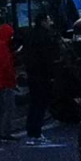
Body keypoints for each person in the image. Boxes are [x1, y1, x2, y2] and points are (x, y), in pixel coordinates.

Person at [24, 12, 59, 145]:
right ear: (43, 21)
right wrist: (51, 75)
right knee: (41, 104)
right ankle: (36, 132)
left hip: (33, 75)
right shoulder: (45, 38)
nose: (50, 23)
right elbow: (48, 58)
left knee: (34, 104)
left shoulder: (30, 36)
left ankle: (31, 131)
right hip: (42, 76)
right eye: (48, 20)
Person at [0, 10, 18, 141]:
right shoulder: (2, 47)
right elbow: (6, 66)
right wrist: (13, 79)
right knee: (8, 108)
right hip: (5, 82)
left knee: (0, 108)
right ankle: (6, 131)